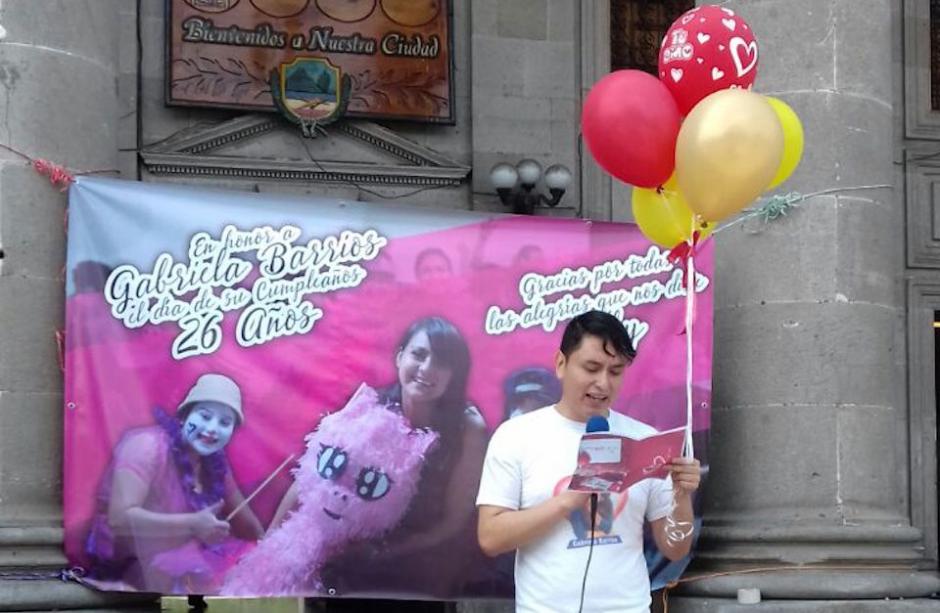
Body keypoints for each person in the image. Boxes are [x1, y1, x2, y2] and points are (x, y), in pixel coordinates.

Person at [476, 311, 701, 613]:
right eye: (591, 368)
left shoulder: (645, 441)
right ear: (561, 364)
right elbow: (490, 537)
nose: (603, 383)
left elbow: (676, 548)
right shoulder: (516, 435)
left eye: (615, 371)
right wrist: (567, 502)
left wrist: (681, 496)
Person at [267, 317, 487, 606]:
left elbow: (454, 520)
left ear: (454, 374)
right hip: (340, 560)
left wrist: (386, 552)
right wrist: (269, 544)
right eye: (419, 355)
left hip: (417, 565)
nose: (426, 368)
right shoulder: (367, 407)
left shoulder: (467, 427)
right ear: (400, 357)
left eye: (441, 362)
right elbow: (313, 481)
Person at [84, 373, 264, 593]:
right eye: (205, 416)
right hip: (129, 569)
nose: (212, 428)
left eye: (224, 422)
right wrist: (192, 523)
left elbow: (249, 527)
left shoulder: (215, 462)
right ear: (184, 415)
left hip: (185, 567)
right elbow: (119, 520)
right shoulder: (146, 446)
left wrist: (271, 553)